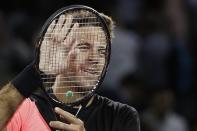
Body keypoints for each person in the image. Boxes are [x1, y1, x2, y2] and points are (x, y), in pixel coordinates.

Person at [0, 8, 140, 131]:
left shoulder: (121, 115)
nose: (95, 58)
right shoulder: (25, 108)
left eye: (102, 51)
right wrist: (36, 69)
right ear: (59, 50)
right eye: (84, 47)